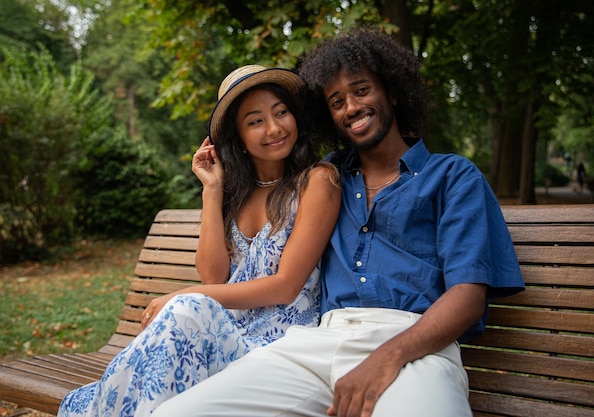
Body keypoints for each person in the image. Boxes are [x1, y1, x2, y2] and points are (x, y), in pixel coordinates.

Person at [152, 27, 525, 417]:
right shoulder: (326, 179)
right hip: (314, 344)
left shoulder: (453, 177)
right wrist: (215, 183)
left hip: (413, 345)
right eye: (336, 101)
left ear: (392, 92)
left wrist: (387, 357)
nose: (350, 107)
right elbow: (263, 179)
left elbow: (468, 297)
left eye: (361, 90)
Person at [57, 64, 341, 417]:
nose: (274, 128)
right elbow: (213, 277)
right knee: (188, 313)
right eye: (255, 121)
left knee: (187, 309)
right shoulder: (237, 194)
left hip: (280, 347)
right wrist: (212, 189)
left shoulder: (317, 181)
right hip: (226, 336)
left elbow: (285, 286)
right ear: (238, 138)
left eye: (281, 112)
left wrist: (182, 294)